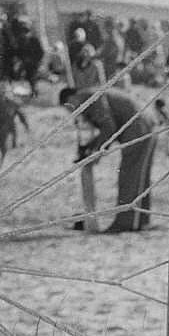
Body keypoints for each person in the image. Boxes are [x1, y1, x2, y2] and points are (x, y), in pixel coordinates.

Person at [60, 85, 156, 233]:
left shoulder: (89, 97)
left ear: (71, 99)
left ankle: (126, 223)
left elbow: (108, 127)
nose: (73, 112)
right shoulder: (89, 95)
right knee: (139, 176)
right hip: (143, 123)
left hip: (138, 127)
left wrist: (96, 153)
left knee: (129, 175)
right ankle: (140, 221)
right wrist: (91, 148)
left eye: (70, 107)